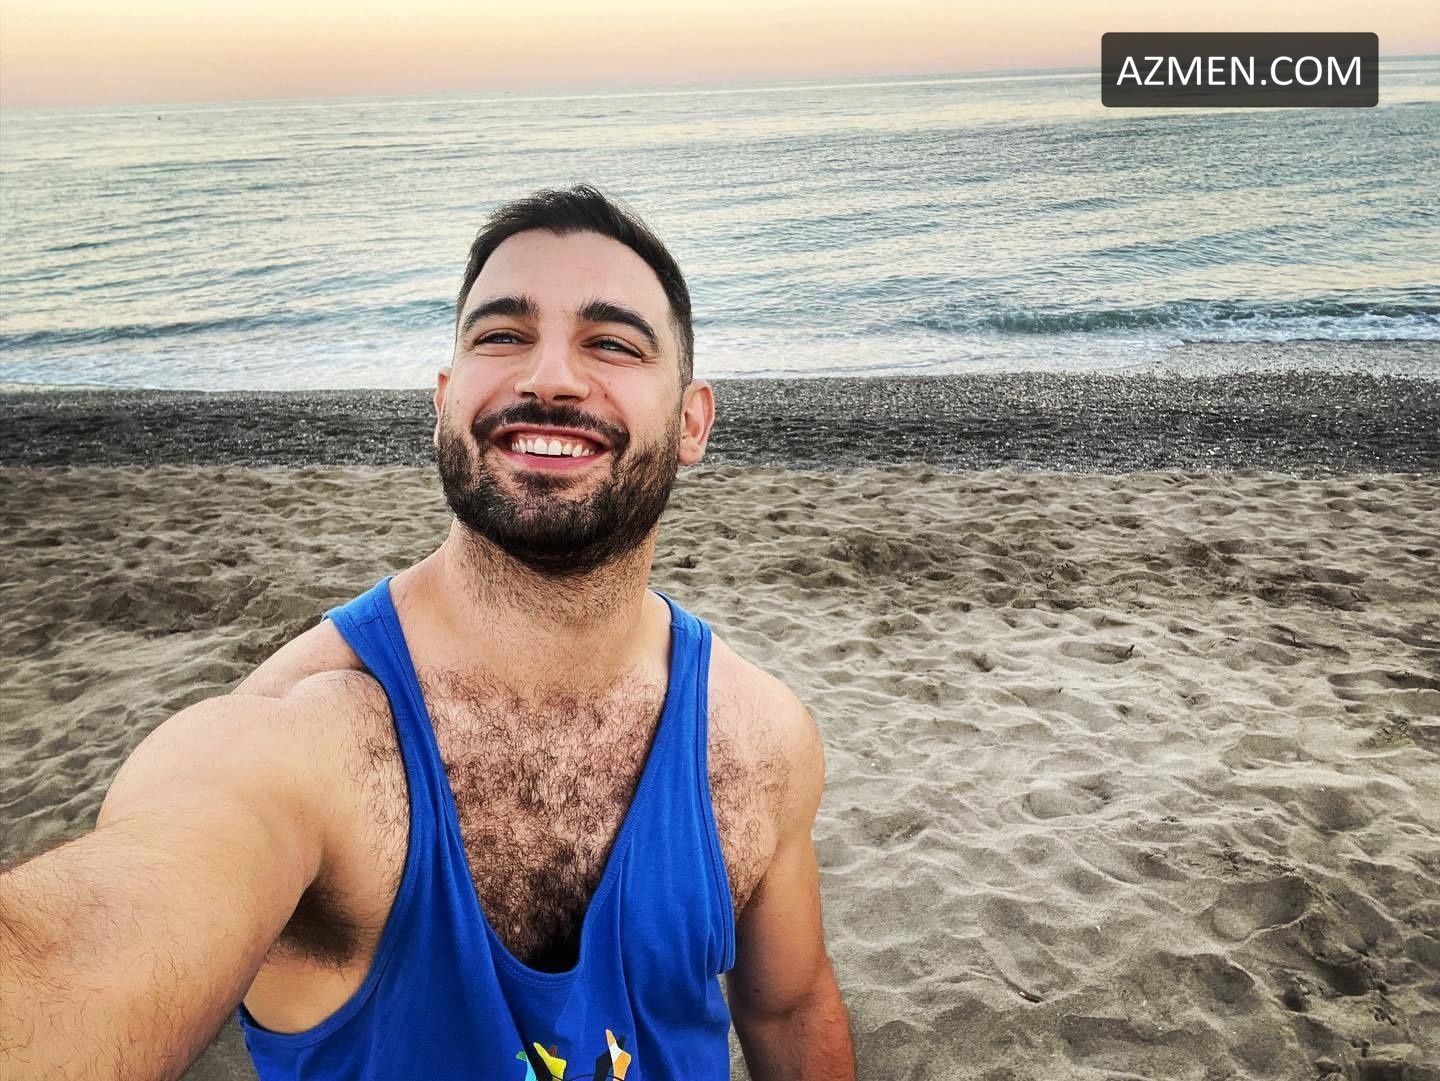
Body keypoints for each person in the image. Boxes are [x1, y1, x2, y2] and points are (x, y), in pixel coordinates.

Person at [0, 185, 855, 1080]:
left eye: (612, 343)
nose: (550, 378)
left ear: (691, 420)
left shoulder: (758, 738)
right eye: (502, 335)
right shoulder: (306, 736)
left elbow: (788, 1005)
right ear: (444, 401)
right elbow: (83, 950)